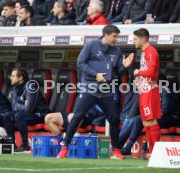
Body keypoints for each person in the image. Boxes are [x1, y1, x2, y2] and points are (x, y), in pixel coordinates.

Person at [57, 25, 134, 159]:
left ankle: (116, 149)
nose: (116, 39)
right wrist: (95, 74)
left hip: (106, 90)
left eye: (117, 36)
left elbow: (118, 72)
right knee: (77, 117)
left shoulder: (117, 51)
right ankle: (64, 147)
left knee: (114, 119)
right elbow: (80, 63)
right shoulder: (91, 45)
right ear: (106, 34)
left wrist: (125, 67)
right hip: (89, 88)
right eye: (114, 36)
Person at [2, 68, 49, 152]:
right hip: (26, 114)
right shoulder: (15, 87)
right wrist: (22, 101)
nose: (10, 78)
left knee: (19, 115)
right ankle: (11, 144)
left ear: (20, 78)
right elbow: (13, 105)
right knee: (7, 115)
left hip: (39, 114)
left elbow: (28, 109)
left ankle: (25, 145)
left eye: (13, 76)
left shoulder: (30, 87)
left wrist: (18, 103)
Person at [133, 28, 161, 159]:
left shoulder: (151, 52)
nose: (134, 42)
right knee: (145, 122)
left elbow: (151, 72)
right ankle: (151, 151)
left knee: (151, 120)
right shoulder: (144, 52)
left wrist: (138, 72)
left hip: (150, 91)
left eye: (136, 39)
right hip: (143, 91)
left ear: (144, 38)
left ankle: (156, 150)